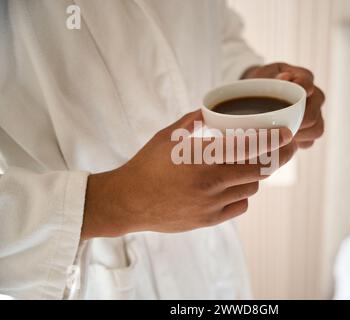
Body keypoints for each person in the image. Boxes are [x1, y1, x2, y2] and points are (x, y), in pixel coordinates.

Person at [0, 0, 324, 299]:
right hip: (85, 278)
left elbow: (214, 36)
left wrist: (253, 82)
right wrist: (118, 202)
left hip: (210, 266)